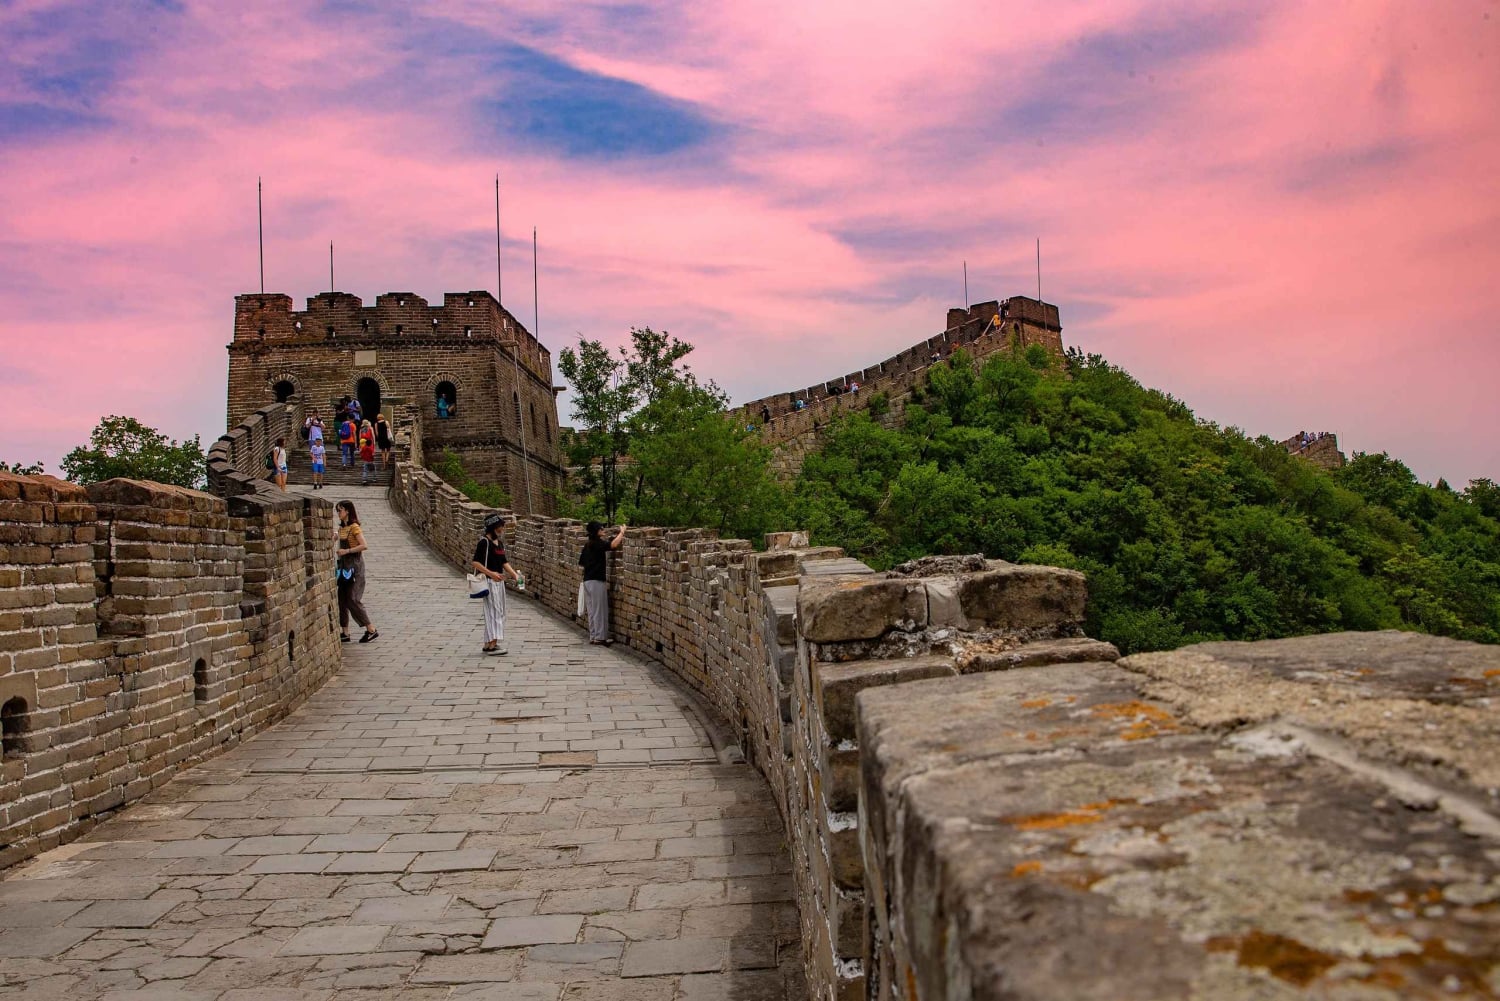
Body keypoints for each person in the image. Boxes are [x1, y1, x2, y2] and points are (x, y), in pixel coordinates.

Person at [472, 513, 521, 655]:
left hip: (499, 583)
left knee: (496, 611)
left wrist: (515, 575)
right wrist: (491, 573)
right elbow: (475, 562)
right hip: (489, 582)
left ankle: (488, 644)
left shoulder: (498, 543)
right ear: (493, 528)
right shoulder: (484, 543)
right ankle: (493, 644)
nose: (502, 529)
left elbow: (504, 562)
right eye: (500, 527)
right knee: (495, 612)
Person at [336, 501, 378, 643]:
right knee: (341, 598)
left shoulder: (354, 527)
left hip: (355, 566)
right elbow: (338, 536)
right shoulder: (342, 528)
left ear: (347, 511)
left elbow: (364, 545)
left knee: (353, 598)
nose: (338, 513)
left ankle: (371, 629)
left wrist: (346, 551)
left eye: (340, 510)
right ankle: (345, 631)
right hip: (343, 566)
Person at [579, 521, 625, 645]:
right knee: (599, 609)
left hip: (587, 580)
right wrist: (622, 532)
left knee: (592, 610)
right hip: (596, 581)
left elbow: (582, 563)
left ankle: (593, 636)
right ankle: (600, 637)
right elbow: (613, 545)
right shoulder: (597, 543)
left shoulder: (587, 545)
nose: (603, 529)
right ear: (597, 531)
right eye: (601, 528)